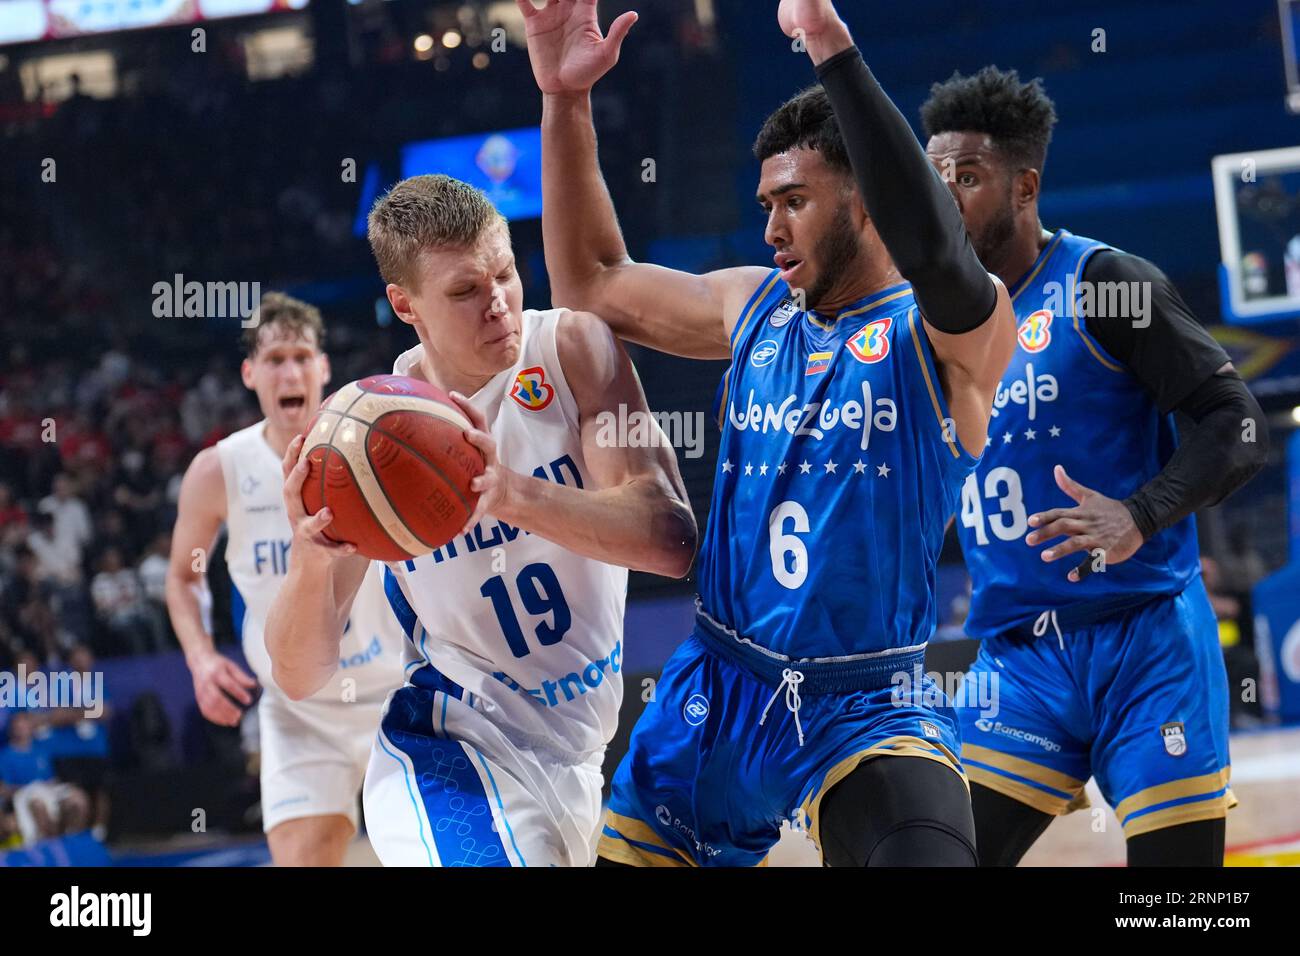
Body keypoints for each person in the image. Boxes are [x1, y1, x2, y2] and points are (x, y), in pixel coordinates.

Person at [519, 0, 1015, 866]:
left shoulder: (947, 338)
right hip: (717, 686)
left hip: (863, 708)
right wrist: (565, 103)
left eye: (795, 201)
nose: (773, 229)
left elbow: (938, 256)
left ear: (870, 205)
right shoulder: (755, 304)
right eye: (766, 204)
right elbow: (592, 282)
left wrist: (830, 44)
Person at [265, 173, 697, 867]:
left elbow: (668, 540)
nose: (498, 304)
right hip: (449, 751)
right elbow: (298, 674)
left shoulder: (573, 351)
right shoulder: (368, 443)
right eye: (465, 291)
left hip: (579, 754)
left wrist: (505, 494)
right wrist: (312, 560)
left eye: (504, 274)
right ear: (405, 305)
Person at [921, 66, 1269, 865]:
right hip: (1019, 657)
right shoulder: (924, 319)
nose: (945, 196)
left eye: (967, 177)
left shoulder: (1106, 284)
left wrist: (1140, 512)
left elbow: (1239, 426)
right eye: (934, 177)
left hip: (1146, 644)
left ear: (1025, 186)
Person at [165, 293, 406, 866]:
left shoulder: (376, 446)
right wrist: (200, 658)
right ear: (250, 374)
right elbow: (183, 577)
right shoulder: (219, 469)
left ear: (324, 367)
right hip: (299, 709)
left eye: (302, 356)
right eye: (275, 360)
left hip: (399, 692)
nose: (290, 371)